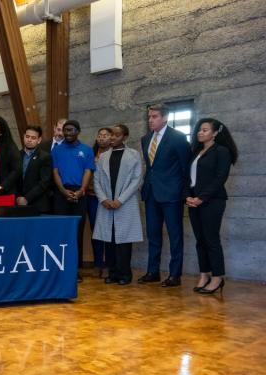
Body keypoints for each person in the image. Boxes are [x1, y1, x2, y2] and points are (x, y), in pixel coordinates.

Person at [138, 104, 191, 287]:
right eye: (149, 117)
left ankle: (175, 275)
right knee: (153, 234)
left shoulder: (178, 138)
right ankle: (153, 272)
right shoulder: (145, 139)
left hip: (172, 194)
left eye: (154, 116)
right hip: (151, 193)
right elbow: (150, 167)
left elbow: (186, 168)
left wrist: (185, 193)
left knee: (175, 235)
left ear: (165, 118)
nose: (150, 120)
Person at [186, 118, 238, 294]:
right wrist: (188, 196)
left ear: (215, 133)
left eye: (205, 130)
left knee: (211, 239)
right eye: (199, 130)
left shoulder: (222, 151)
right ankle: (204, 275)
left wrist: (201, 198)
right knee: (200, 240)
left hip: (213, 201)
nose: (200, 133)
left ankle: (217, 278)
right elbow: (189, 178)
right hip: (193, 202)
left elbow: (220, 178)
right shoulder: (196, 152)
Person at [92, 124, 143, 285]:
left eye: (117, 135)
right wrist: (103, 199)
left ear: (125, 137)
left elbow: (137, 180)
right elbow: (96, 180)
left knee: (124, 241)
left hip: (125, 204)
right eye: (111, 134)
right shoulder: (104, 157)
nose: (113, 137)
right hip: (107, 204)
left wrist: (120, 200)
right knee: (109, 239)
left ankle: (124, 275)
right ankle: (112, 273)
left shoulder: (133, 155)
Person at [51, 119, 95, 282]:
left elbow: (88, 171)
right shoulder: (57, 150)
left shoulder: (87, 150)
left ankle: (74, 271)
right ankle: (60, 269)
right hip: (61, 193)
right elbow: (55, 172)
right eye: (65, 130)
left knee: (77, 233)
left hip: (80, 193)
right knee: (61, 232)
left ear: (78, 131)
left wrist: (81, 191)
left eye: (71, 130)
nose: (67, 133)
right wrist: (63, 191)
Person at [87, 127, 113, 278]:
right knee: (96, 231)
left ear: (111, 138)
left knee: (108, 231)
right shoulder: (91, 154)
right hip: (92, 197)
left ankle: (109, 264)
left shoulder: (114, 154)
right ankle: (98, 263)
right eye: (100, 135)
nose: (102, 138)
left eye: (106, 135)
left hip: (108, 199)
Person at [15, 125, 51, 214]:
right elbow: (13, 179)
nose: (29, 140)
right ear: (23, 137)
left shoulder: (45, 157)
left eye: (33, 138)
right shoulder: (16, 155)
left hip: (38, 205)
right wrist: (18, 197)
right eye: (27, 137)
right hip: (18, 203)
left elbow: (45, 182)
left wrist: (27, 198)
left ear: (39, 140)